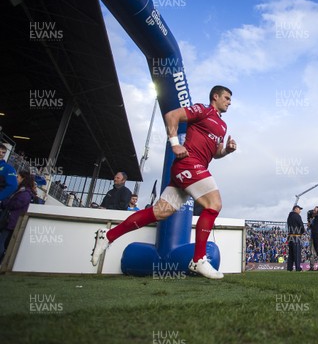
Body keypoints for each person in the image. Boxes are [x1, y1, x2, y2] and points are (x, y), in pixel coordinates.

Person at [91, 85, 236, 279]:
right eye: (226, 98)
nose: (229, 102)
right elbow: (171, 116)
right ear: (215, 97)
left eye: (230, 99)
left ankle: (107, 235)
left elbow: (215, 153)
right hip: (188, 164)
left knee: (158, 212)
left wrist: (226, 150)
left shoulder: (223, 125)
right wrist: (175, 144)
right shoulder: (203, 109)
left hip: (194, 168)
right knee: (214, 204)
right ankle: (198, 260)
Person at [0, 170, 35, 263]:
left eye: (18, 177)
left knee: (2, 242)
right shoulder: (21, 190)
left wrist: (4, 202)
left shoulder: (25, 193)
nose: (16, 178)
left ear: (23, 179)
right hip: (9, 220)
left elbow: (14, 204)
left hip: (10, 221)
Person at [286, 205, 305, 272]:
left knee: (291, 253)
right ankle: (298, 268)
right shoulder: (297, 216)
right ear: (296, 209)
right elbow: (301, 225)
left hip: (290, 236)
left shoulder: (289, 217)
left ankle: (289, 268)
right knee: (297, 252)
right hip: (296, 236)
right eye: (299, 209)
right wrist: (302, 231)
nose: (300, 211)